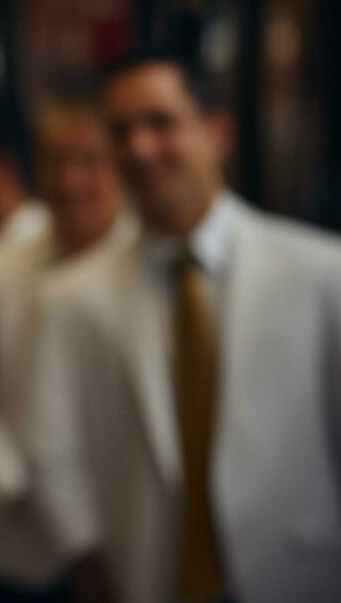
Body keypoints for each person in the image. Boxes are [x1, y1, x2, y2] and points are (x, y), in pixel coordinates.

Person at [26, 49, 341, 603]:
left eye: (161, 123)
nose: (140, 148)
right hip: (143, 581)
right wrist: (91, 568)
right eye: (120, 132)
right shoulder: (71, 298)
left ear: (217, 132)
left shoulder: (320, 273)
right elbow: (52, 454)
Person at [0, 101, 133, 600]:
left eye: (90, 161)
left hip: (122, 532)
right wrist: (25, 489)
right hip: (7, 536)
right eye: (56, 162)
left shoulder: (149, 272)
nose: (70, 181)